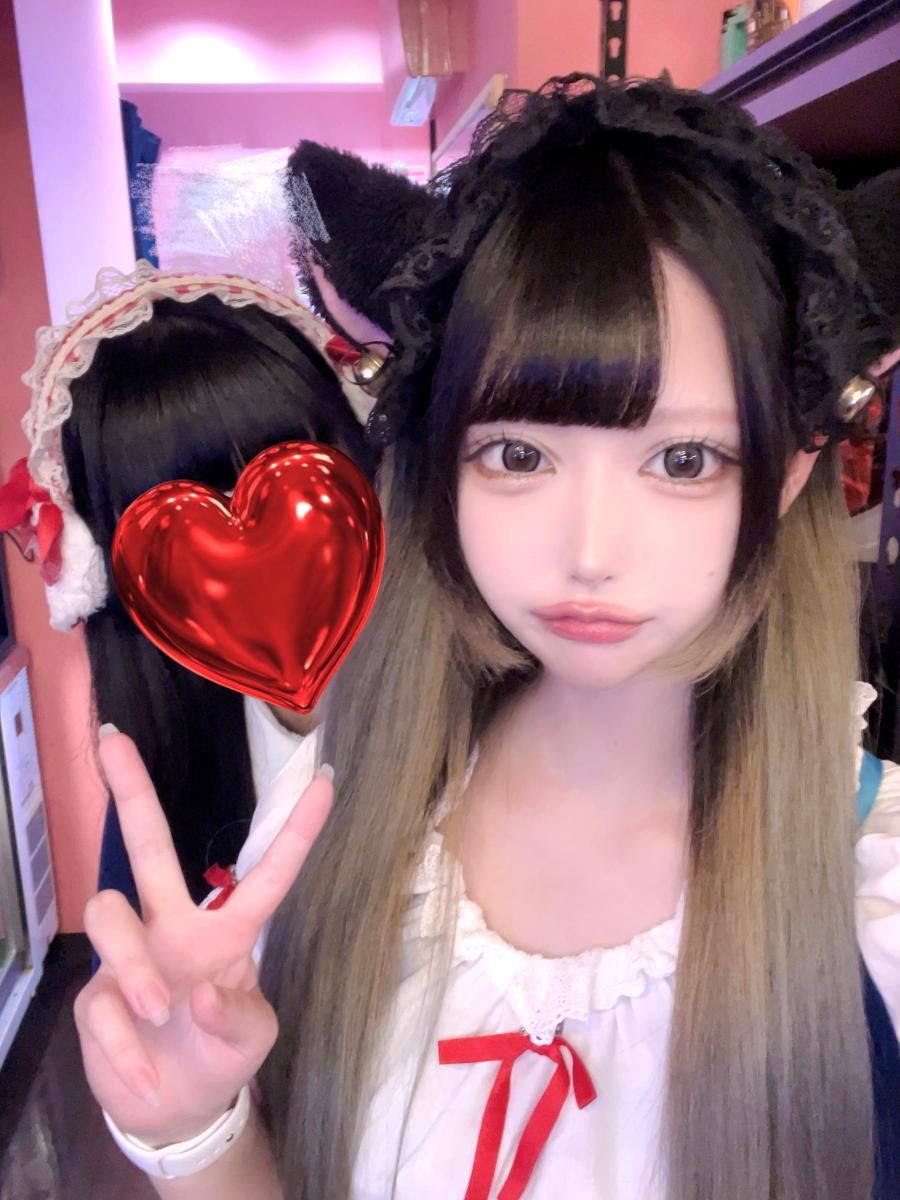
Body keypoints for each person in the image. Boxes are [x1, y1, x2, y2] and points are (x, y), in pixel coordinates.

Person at [72, 77, 900, 1200]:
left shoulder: (872, 890)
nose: (590, 552)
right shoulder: (344, 818)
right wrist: (196, 1130)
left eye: (683, 460)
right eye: (518, 455)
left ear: (790, 469)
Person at [0, 262, 373, 906]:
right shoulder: (159, 776)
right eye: (178, 526)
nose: (259, 551)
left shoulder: (492, 710)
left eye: (296, 479)